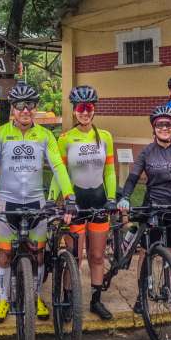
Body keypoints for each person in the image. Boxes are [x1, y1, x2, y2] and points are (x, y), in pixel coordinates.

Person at [0, 82, 76, 323]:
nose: (25, 110)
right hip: (7, 201)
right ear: (12, 108)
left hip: (35, 202)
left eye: (29, 105)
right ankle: (3, 299)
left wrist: (70, 197)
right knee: (4, 253)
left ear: (35, 108)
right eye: (20, 105)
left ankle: (36, 296)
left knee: (38, 253)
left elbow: (58, 166)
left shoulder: (44, 135)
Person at [118, 105, 171, 313]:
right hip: (152, 208)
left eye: (169, 124)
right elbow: (133, 177)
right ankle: (141, 296)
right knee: (147, 253)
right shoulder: (147, 152)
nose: (165, 128)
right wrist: (126, 197)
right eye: (160, 124)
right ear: (154, 128)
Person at [53, 85, 117, 320]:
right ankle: (69, 299)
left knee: (97, 256)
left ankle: (96, 300)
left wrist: (111, 198)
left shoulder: (106, 137)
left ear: (94, 110)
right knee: (75, 256)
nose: (84, 112)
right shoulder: (65, 139)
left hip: (99, 201)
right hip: (76, 203)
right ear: (74, 111)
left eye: (88, 108)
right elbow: (59, 176)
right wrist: (53, 200)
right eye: (80, 108)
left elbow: (109, 172)